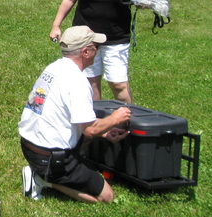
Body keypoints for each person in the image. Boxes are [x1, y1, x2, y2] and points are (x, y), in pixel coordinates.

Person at [20, 26, 132, 203]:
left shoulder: (54, 68)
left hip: (29, 145)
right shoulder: (77, 82)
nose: (97, 51)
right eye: (96, 47)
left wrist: (104, 132)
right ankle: (42, 179)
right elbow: (89, 130)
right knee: (106, 197)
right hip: (50, 157)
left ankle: (46, 172)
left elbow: (66, 116)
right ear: (85, 52)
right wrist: (114, 119)